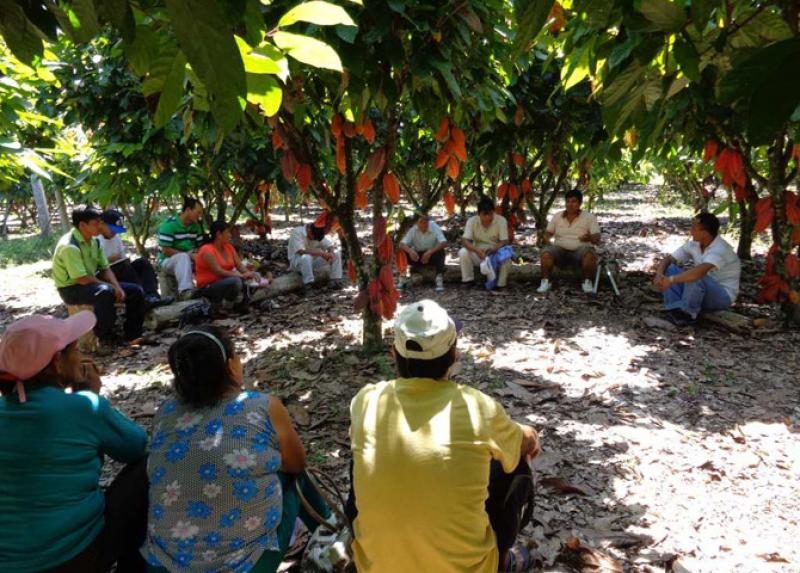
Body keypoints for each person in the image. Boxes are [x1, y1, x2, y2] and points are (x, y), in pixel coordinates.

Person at [349, 299, 541, 573]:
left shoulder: (366, 400)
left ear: (394, 353)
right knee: (516, 463)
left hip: (376, 566)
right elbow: (527, 442)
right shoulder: (478, 407)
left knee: (362, 459)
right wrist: (530, 435)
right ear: (454, 354)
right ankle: (500, 559)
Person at [142, 325, 331, 573]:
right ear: (230, 365)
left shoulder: (165, 414)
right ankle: (331, 536)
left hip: (164, 566)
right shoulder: (262, 407)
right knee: (298, 478)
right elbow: (297, 463)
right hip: (246, 566)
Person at [0, 311, 149, 573]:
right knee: (147, 467)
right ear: (57, 362)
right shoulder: (84, 407)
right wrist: (89, 396)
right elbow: (137, 446)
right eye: (76, 350)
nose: (81, 358)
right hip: (74, 556)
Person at [53, 204, 147, 345]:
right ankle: (105, 337)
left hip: (89, 283)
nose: (100, 226)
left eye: (101, 222)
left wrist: (117, 286)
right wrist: (110, 286)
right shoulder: (69, 246)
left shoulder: (94, 241)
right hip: (71, 289)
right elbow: (81, 278)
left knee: (136, 291)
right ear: (83, 225)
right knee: (105, 292)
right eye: (96, 223)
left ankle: (133, 334)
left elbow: (105, 268)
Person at [653, 212, 741, 326]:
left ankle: (688, 314)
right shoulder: (694, 244)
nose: (691, 231)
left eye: (694, 228)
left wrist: (670, 280)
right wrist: (659, 275)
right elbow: (668, 259)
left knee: (696, 276)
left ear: (705, 233)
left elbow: (699, 273)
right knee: (671, 269)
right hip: (702, 289)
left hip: (723, 296)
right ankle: (674, 309)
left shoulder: (720, 249)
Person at [99, 209, 174, 308]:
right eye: (112, 229)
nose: (114, 233)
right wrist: (108, 259)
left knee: (142, 263)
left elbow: (122, 257)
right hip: (106, 275)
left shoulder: (116, 238)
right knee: (123, 266)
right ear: (102, 224)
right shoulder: (96, 239)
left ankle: (152, 296)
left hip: (122, 271)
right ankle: (143, 299)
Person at [196, 220, 270, 311]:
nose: (230, 235)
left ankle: (242, 303)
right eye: (227, 232)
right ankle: (226, 306)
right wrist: (241, 275)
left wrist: (250, 274)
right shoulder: (207, 250)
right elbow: (219, 271)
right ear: (219, 234)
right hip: (209, 287)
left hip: (225, 281)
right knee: (236, 281)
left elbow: (239, 266)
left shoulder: (229, 247)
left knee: (254, 276)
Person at [538, 189, 601, 294]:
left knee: (590, 254)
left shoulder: (589, 217)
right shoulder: (557, 216)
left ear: (580, 203)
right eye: (568, 201)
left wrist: (589, 238)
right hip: (560, 250)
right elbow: (548, 232)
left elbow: (597, 237)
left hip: (580, 250)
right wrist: (545, 237)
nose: (570, 204)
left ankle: (587, 282)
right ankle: (545, 282)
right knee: (546, 253)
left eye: (573, 201)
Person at [459, 197, 512, 288]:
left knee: (507, 258)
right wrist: (476, 251)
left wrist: (493, 249)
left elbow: (504, 241)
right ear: (479, 214)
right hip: (478, 253)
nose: (488, 217)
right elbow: (465, 240)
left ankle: (501, 285)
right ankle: (467, 280)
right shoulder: (472, 221)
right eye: (484, 215)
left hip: (495, 253)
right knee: (463, 252)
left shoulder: (501, 220)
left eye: (490, 214)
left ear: (493, 212)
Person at [158, 197, 204, 300]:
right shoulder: (169, 225)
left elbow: (200, 247)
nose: (200, 216)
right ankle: (186, 291)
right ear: (188, 210)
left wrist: (198, 255)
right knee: (183, 257)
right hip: (167, 261)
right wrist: (189, 255)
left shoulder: (196, 226)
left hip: (189, 257)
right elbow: (166, 251)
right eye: (198, 212)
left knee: (205, 256)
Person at [398, 213, 448, 292]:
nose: (424, 224)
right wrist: (410, 251)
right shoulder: (413, 230)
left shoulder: (434, 227)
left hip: (432, 256)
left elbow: (444, 243)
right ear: (416, 223)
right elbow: (402, 244)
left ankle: (439, 278)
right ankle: (402, 277)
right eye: (421, 222)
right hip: (417, 257)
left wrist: (430, 252)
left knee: (441, 252)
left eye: (426, 222)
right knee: (401, 252)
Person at [287, 222, 343, 291]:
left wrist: (331, 253)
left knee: (336, 253)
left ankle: (335, 280)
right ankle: (308, 285)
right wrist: (321, 253)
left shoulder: (317, 232)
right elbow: (301, 251)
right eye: (314, 238)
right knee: (306, 257)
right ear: (309, 230)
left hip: (313, 261)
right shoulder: (297, 232)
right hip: (297, 262)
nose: (315, 240)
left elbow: (329, 245)